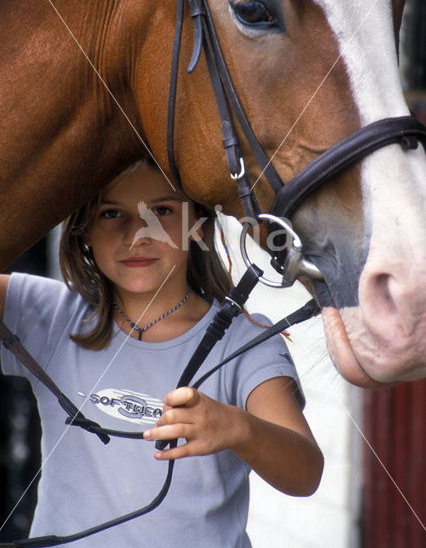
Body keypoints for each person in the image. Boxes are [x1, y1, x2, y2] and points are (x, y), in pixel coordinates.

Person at [0, 158, 323, 548]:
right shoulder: (47, 313)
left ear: (198, 227)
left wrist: (239, 428)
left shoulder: (243, 341)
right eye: (112, 212)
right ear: (83, 230)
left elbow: (305, 474)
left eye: (162, 211)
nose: (137, 235)